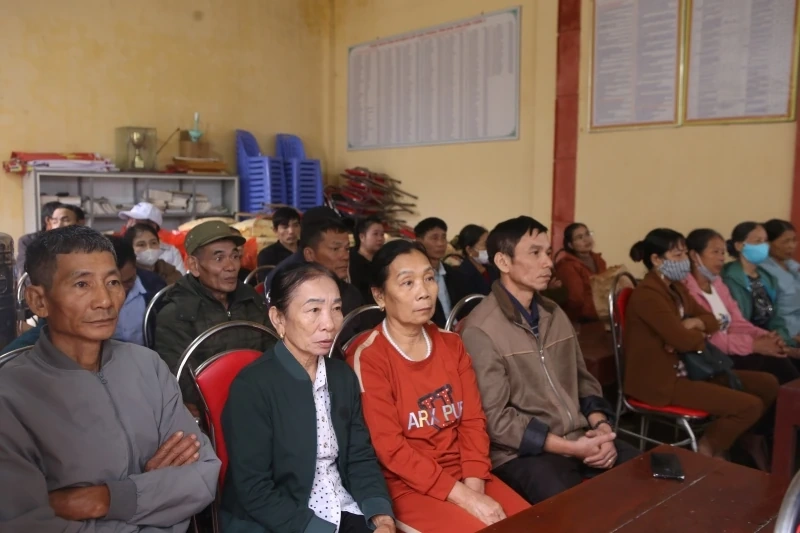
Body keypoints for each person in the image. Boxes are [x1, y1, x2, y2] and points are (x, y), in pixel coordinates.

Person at [0, 225, 220, 531]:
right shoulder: (11, 396)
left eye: (113, 282)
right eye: (81, 284)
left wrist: (106, 498)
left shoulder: (148, 367)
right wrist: (153, 491)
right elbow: (25, 522)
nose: (104, 300)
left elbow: (202, 476)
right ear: (39, 301)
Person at [346, 240, 530, 532]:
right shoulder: (368, 357)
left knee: (534, 524)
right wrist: (464, 499)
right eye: (407, 283)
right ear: (379, 295)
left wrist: (474, 488)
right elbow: (390, 450)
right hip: (407, 487)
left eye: (429, 278)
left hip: (468, 475)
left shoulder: (451, 344)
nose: (424, 291)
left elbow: (472, 421)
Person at [460, 216, 638, 505]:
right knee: (575, 509)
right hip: (522, 452)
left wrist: (601, 428)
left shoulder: (554, 313)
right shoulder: (481, 329)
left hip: (579, 435)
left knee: (644, 475)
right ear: (503, 262)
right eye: (535, 253)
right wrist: (568, 447)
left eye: (547, 252)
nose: (548, 262)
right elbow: (495, 419)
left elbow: (582, 380)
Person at [221, 263, 395, 533]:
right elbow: (254, 489)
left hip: (340, 506)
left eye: (336, 309)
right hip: (278, 520)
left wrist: (380, 515)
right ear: (278, 318)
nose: (329, 324)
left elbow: (359, 456)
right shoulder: (252, 386)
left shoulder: (342, 377)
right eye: (314, 310)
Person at [624, 228, 779, 462]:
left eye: (685, 254)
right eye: (677, 256)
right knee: (749, 406)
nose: (685, 262)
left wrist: (692, 324)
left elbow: (711, 320)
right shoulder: (647, 294)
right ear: (656, 260)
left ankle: (724, 440)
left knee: (767, 384)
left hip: (693, 367)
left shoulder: (676, 288)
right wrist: (687, 334)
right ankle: (708, 448)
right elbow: (684, 341)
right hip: (663, 380)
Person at [154, 220, 275, 414]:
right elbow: (180, 378)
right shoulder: (176, 313)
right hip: (210, 410)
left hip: (261, 401)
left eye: (235, 256)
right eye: (219, 259)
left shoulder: (251, 300)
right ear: (193, 265)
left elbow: (273, 351)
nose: (231, 266)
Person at [684, 229, 799, 383]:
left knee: (781, 358)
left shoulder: (717, 284)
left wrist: (764, 336)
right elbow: (709, 340)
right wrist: (753, 345)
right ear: (693, 255)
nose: (721, 258)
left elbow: (737, 323)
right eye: (715, 252)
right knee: (774, 366)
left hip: (734, 348)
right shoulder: (686, 290)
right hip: (712, 356)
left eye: (723, 253)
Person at [722, 222, 798, 349]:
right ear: (739, 246)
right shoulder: (728, 278)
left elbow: (776, 318)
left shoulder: (767, 278)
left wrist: (781, 338)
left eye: (765, 241)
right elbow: (736, 323)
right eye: (758, 241)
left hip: (772, 340)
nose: (763, 246)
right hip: (747, 344)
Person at [108, 236, 167, 346]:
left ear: (135, 265)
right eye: (113, 283)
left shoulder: (155, 286)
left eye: (129, 281)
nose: (121, 290)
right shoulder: (87, 298)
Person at [415, 217, 468, 327]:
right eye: (434, 238)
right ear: (419, 242)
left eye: (444, 238)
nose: (441, 243)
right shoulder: (414, 277)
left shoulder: (454, 274)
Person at [554, 223, 608, 322]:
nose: (586, 239)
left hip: (602, 315)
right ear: (570, 245)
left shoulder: (599, 260)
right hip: (581, 321)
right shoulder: (568, 267)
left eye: (587, 234)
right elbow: (576, 300)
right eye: (579, 237)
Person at [119, 202, 187, 274]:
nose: (129, 225)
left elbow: (181, 281)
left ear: (153, 226)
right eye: (129, 220)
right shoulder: (118, 250)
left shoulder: (171, 252)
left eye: (135, 222)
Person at [762, 219, 800, 340]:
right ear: (768, 243)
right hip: (786, 333)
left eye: (794, 240)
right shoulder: (763, 271)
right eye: (785, 241)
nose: (791, 246)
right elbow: (767, 316)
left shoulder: (792, 266)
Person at [15, 201, 69, 276]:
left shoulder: (72, 241)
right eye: (57, 220)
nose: (62, 224)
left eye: (66, 220)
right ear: (48, 220)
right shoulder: (28, 241)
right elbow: (24, 272)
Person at [349, 216, 385, 301]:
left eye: (382, 234)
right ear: (362, 237)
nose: (380, 238)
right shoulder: (351, 261)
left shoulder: (382, 261)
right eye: (375, 234)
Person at [257, 206, 301, 271]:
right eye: (285, 227)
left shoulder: (308, 248)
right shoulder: (267, 255)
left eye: (295, 225)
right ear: (275, 230)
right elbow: (266, 280)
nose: (291, 231)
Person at [456, 224, 495, 296]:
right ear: (469, 250)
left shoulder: (492, 267)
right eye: (485, 245)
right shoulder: (461, 275)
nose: (490, 249)